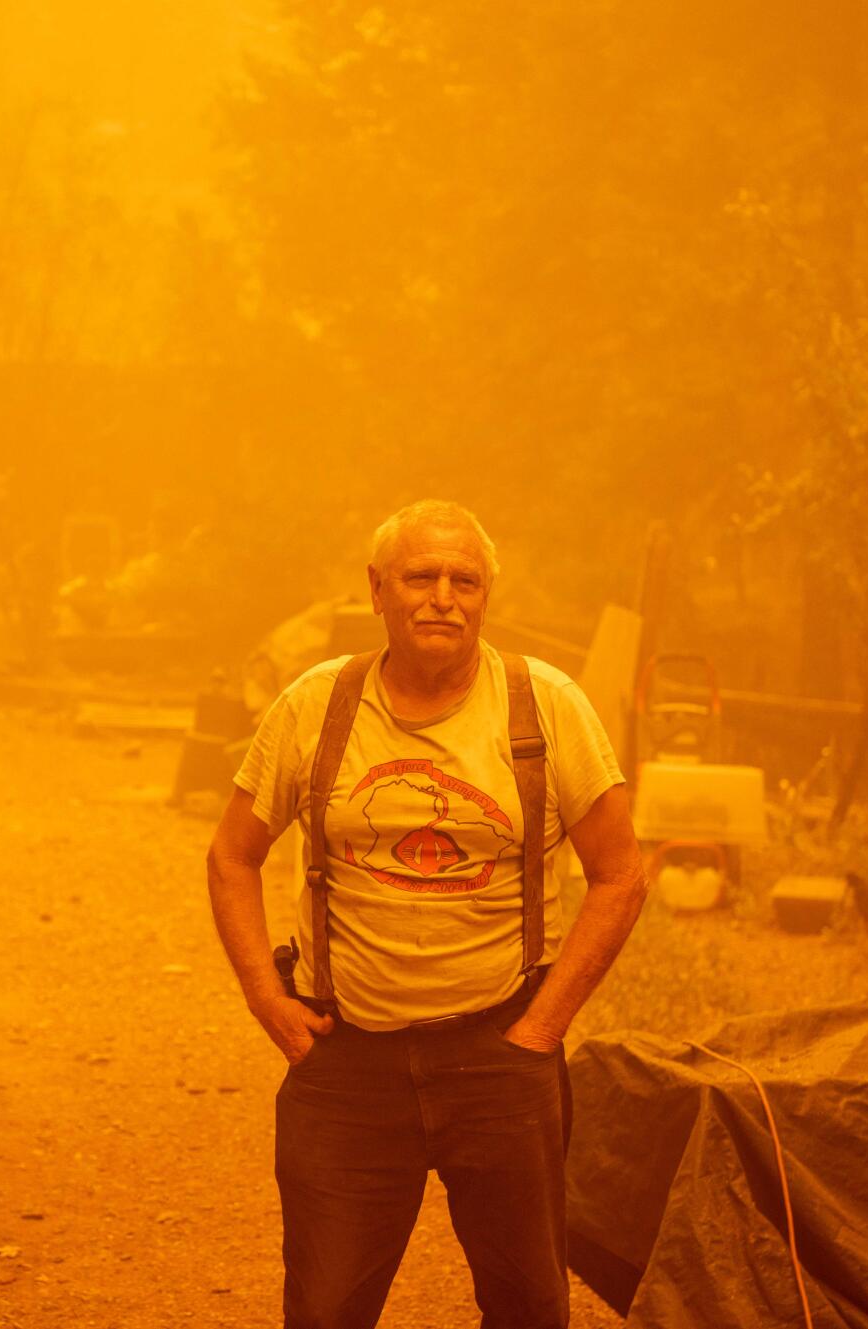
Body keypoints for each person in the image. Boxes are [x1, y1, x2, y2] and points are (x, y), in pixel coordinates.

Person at [206, 499, 646, 1329]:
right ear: (377, 590)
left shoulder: (547, 706)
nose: (444, 596)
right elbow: (231, 854)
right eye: (421, 576)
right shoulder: (314, 706)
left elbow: (620, 875)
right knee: (326, 1308)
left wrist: (541, 1029)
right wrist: (270, 999)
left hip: (501, 1055)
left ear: (485, 597)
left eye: (464, 580)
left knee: (528, 1310)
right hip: (348, 1064)